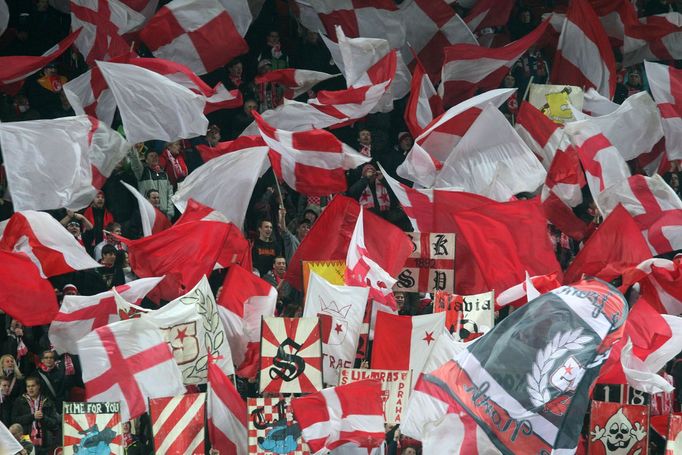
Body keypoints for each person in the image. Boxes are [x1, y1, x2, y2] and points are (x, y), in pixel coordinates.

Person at [11, 376, 59, 455]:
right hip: (26, 444)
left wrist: (43, 417)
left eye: (33, 386)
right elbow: (14, 420)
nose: (30, 389)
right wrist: (32, 416)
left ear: (38, 386)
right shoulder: (19, 401)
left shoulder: (48, 401)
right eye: (28, 386)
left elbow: (54, 423)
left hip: (45, 444)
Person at [129, 146, 175, 220]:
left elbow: (169, 194)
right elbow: (135, 164)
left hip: (163, 214)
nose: (154, 158)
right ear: (146, 160)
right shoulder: (142, 173)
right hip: (149, 213)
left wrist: (170, 213)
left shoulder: (164, 174)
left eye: (156, 156)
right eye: (151, 156)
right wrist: (133, 151)